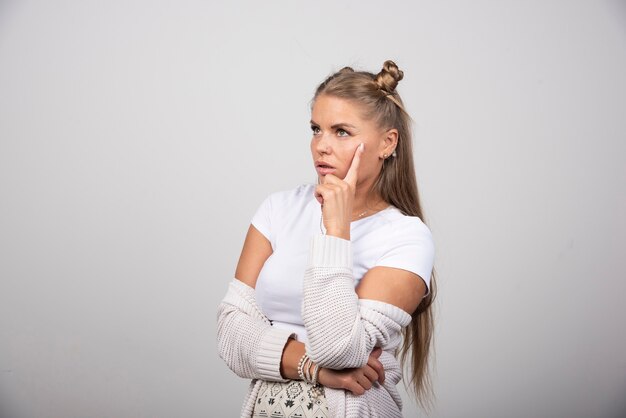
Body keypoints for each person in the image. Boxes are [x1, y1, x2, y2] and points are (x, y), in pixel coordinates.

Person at [217, 60, 436, 418]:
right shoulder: (278, 209)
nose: (321, 145)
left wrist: (336, 230)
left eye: (342, 132)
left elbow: (339, 349)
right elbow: (230, 334)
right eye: (316, 129)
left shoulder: (407, 237)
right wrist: (314, 369)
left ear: (386, 143)